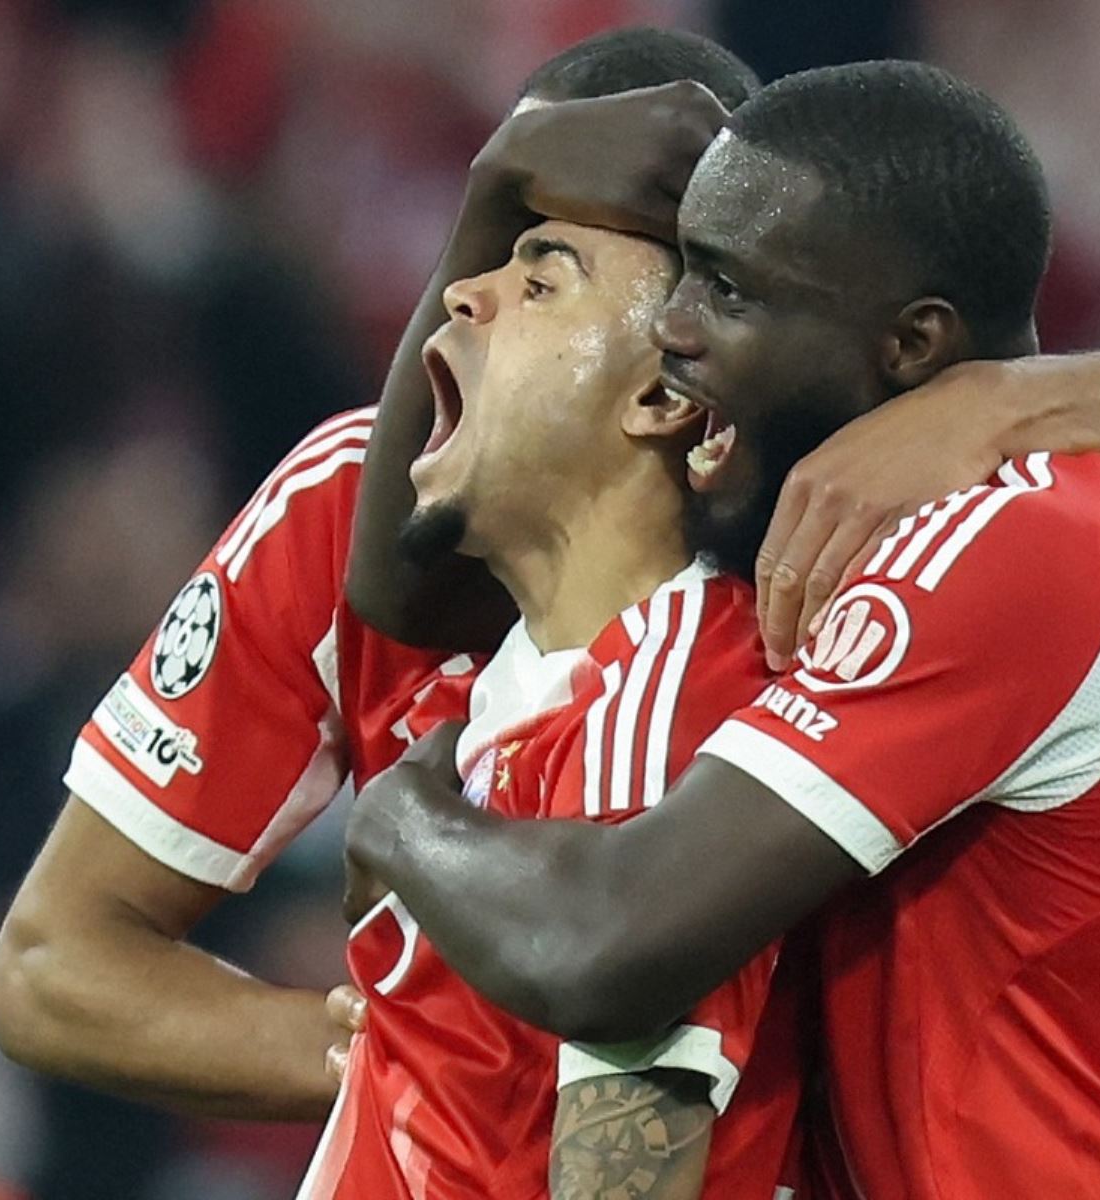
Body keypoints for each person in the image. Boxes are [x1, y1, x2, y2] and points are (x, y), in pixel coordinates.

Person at [341, 61, 1100, 1199]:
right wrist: (496, 189)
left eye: (726, 290)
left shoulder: (1016, 538)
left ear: (914, 346)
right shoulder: (903, 517)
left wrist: (402, 817)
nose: (674, 327)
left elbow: (607, 944)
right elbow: (404, 586)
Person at [0, 28, 763, 1121]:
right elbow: (52, 965)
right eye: (485, 239)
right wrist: (404, 1056)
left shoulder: (829, 539)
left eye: (547, 270)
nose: (466, 298)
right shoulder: (342, 501)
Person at [300, 216, 804, 1198]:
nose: (462, 295)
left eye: (543, 287)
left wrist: (402, 826)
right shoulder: (492, 698)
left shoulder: (675, 695)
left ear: (660, 397)